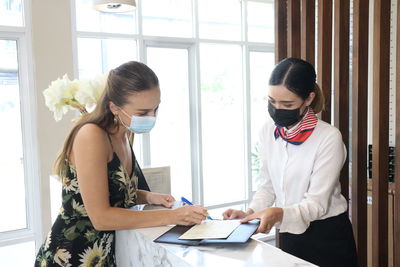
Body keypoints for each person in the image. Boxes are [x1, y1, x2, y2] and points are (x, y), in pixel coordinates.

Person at [35, 61, 209, 266]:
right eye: (143, 112)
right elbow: (101, 217)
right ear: (114, 107)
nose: (152, 117)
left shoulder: (125, 134)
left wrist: (148, 196)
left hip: (103, 254)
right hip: (72, 255)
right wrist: (173, 216)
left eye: (156, 109)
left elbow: (112, 190)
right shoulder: (92, 135)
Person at [223, 58, 358, 267]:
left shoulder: (328, 137)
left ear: (308, 99)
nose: (277, 109)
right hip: (289, 233)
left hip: (327, 236)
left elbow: (317, 205)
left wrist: (278, 214)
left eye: (287, 104)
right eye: (272, 101)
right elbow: (267, 186)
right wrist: (251, 214)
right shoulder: (268, 130)